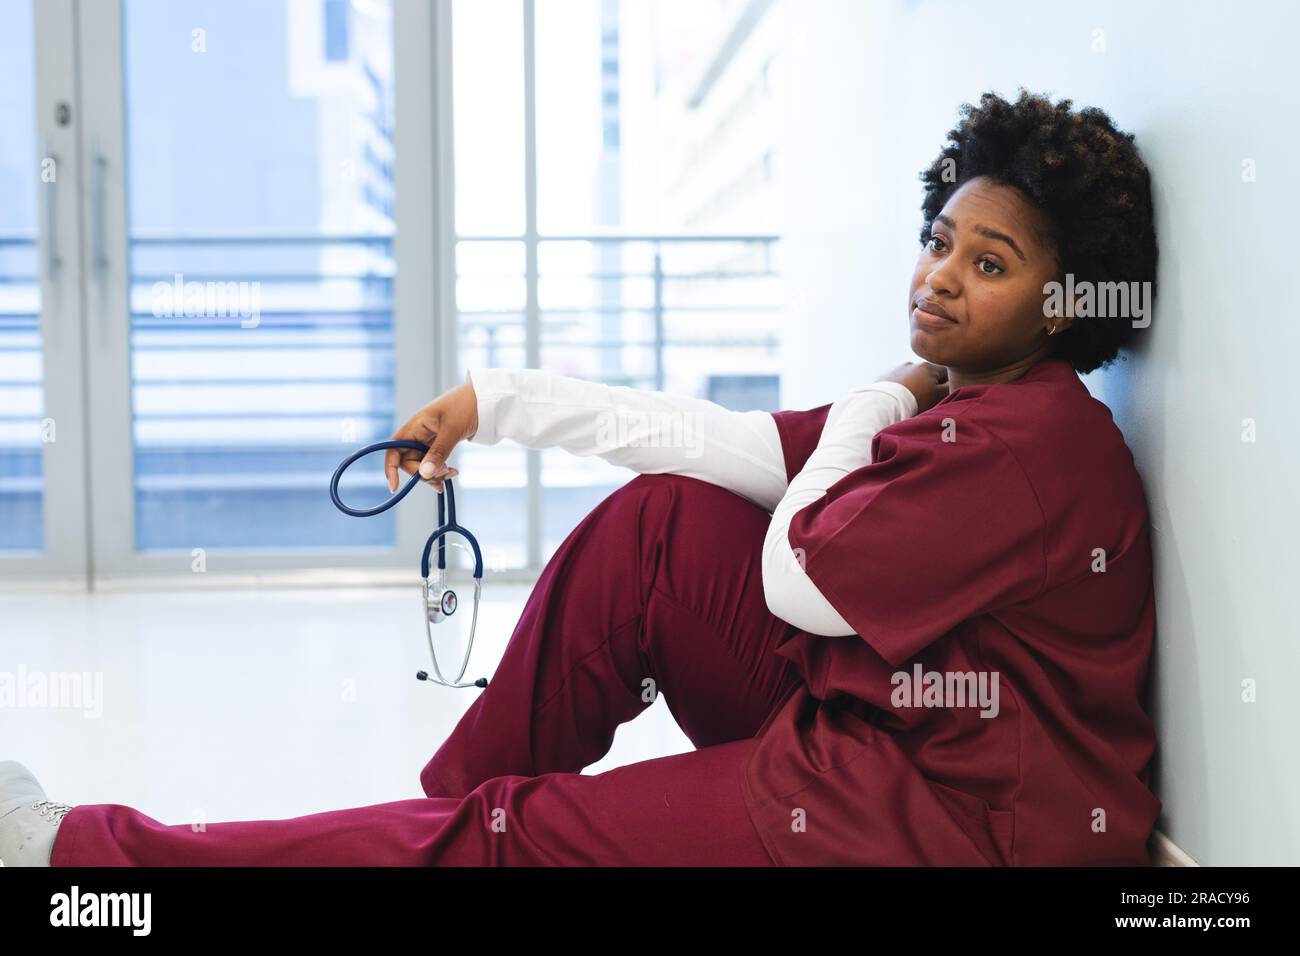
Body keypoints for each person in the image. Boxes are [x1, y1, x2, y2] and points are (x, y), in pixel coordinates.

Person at [0, 88, 1162, 866]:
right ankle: (436, 826)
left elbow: (804, 576)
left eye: (988, 263)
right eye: (941, 239)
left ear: (1067, 306)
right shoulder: (976, 402)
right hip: (894, 733)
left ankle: (81, 857)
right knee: (662, 522)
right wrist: (489, 403)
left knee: (520, 833)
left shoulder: (1019, 441)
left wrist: (879, 392)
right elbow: (715, 444)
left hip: (941, 821)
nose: (940, 276)